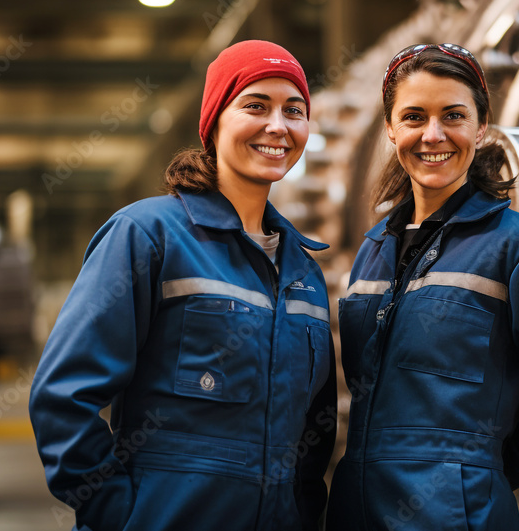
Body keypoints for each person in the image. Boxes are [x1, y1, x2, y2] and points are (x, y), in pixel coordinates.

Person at [29, 40, 336, 531]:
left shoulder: (303, 271)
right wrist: (121, 515)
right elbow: (63, 398)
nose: (278, 126)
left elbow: (311, 441)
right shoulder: (148, 236)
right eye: (255, 105)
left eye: (293, 110)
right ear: (214, 120)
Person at [326, 43, 519, 530]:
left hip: (456, 516)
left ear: (481, 126)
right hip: (357, 510)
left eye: (453, 115)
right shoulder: (373, 252)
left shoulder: (518, 249)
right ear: (390, 128)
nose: (433, 134)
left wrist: (494, 467)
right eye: (413, 117)